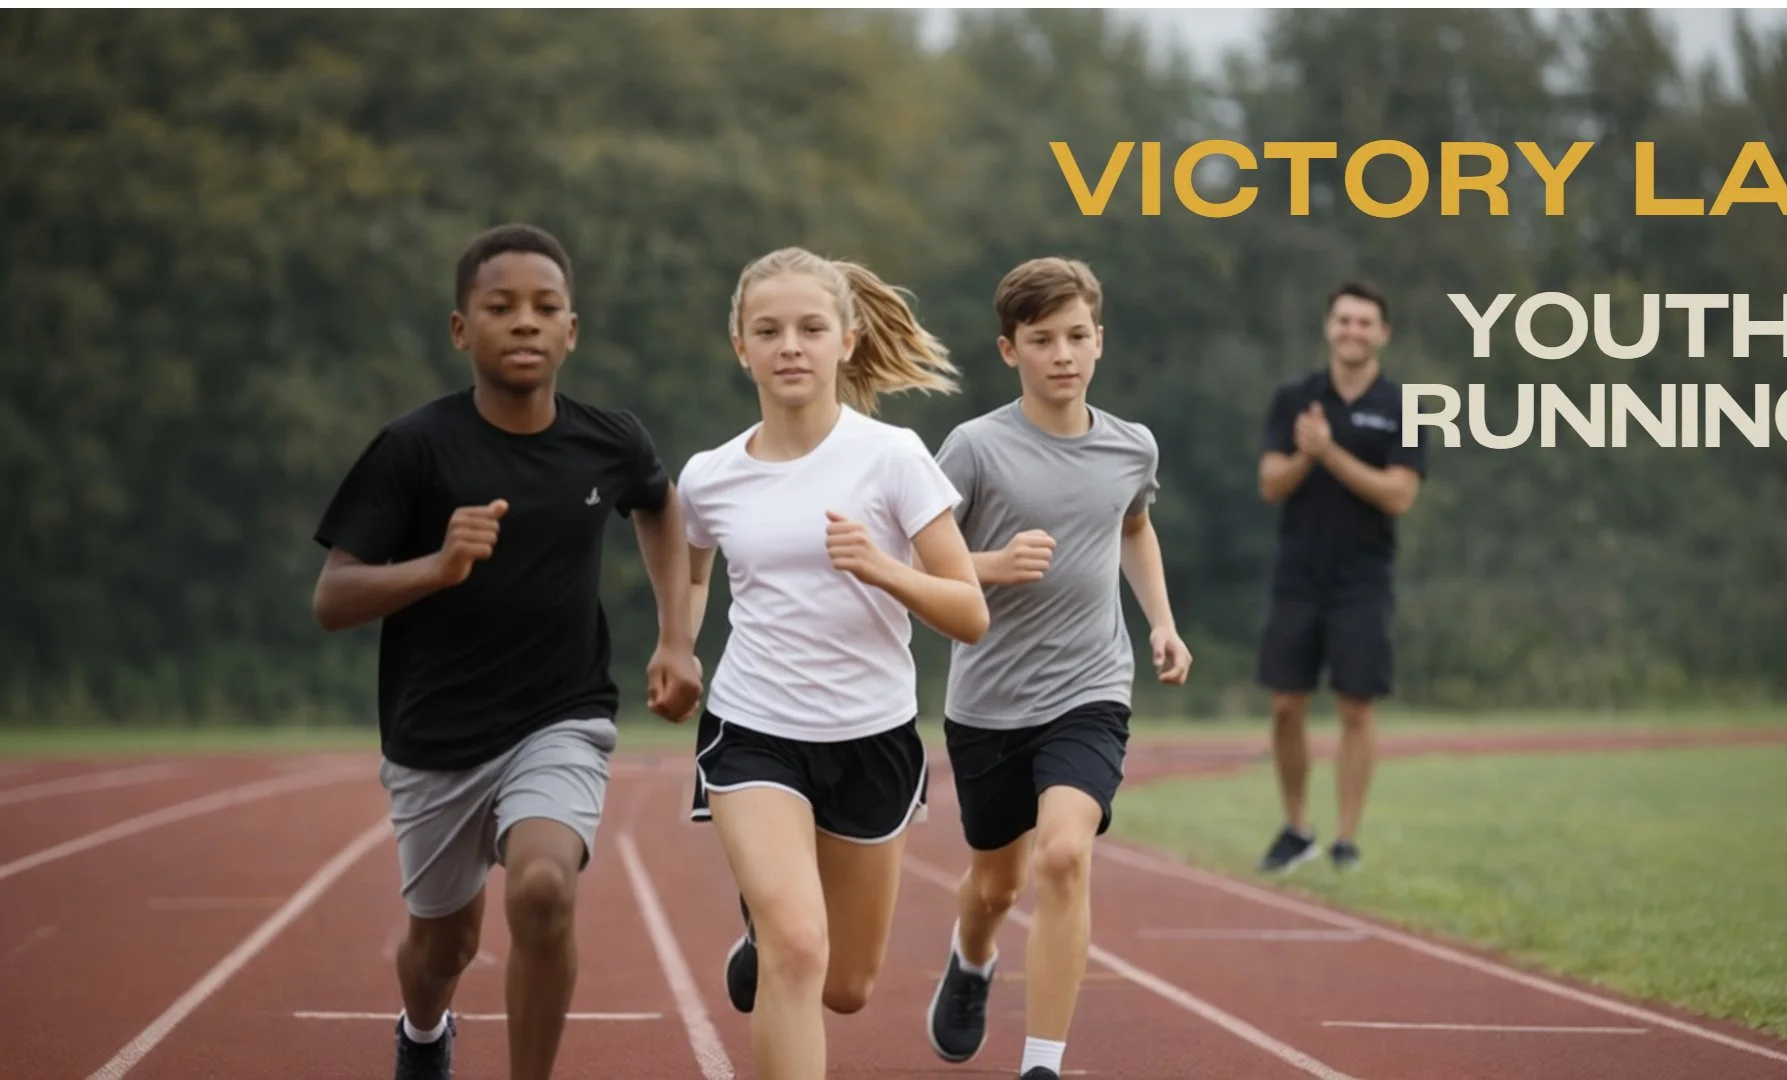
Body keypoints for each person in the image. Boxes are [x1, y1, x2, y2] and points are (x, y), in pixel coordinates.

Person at [310, 223, 704, 1080]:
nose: (524, 322)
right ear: (462, 330)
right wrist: (437, 566)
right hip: (435, 735)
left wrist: (677, 638)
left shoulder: (609, 441)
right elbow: (333, 597)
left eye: (544, 308)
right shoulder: (415, 448)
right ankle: (423, 1034)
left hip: (559, 716)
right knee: (443, 945)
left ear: (572, 331)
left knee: (541, 888)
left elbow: (659, 504)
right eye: (501, 307)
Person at [676, 246, 990, 1080]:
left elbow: (970, 611)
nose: (790, 346)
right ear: (740, 346)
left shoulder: (892, 458)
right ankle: (774, 931)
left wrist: (882, 567)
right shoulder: (709, 476)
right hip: (753, 731)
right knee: (800, 945)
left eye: (811, 328)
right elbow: (696, 564)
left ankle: (764, 936)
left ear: (846, 341)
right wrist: (677, 644)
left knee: (847, 984)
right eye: (768, 330)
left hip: (871, 737)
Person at [922, 256, 1192, 1080]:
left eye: (1077, 337)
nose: (1063, 354)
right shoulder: (973, 448)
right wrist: (991, 565)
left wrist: (1163, 624)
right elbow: (913, 557)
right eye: (1043, 340)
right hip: (988, 701)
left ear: (1100, 342)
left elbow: (1134, 527)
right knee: (995, 887)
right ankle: (971, 962)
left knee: (1066, 855)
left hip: (1091, 688)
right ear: (1011, 351)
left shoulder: (1130, 447)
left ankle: (1041, 1063)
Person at [1252, 279, 1427, 875]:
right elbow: (1271, 484)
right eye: (1344, 320)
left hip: (1364, 577)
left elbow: (1399, 494)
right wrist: (1307, 453)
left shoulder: (1403, 406)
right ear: (1330, 327)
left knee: (1357, 707)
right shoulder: (1295, 398)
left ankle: (1346, 838)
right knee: (1284, 704)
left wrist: (1329, 453)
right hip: (1298, 572)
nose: (1353, 331)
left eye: (1365, 322)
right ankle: (1297, 828)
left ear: (1383, 333)